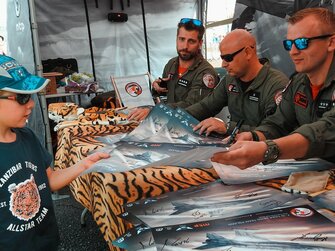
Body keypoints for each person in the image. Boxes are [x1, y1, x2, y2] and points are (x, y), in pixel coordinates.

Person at [0, 55, 109, 250]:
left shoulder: (28, 137)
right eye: (22, 97)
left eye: (31, 96)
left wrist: (86, 163)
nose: (32, 104)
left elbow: (48, 180)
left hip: (46, 242)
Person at [211, 7, 335, 168]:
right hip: (313, 172)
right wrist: (253, 136)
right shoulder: (298, 83)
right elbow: (278, 123)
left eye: (302, 43)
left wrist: (267, 149)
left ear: (331, 42)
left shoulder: (279, 81)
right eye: (289, 44)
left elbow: (327, 129)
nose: (293, 52)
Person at [188, 29, 288, 136]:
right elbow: (206, 106)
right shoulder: (230, 80)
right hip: (233, 146)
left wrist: (228, 128)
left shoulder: (276, 85)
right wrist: (176, 116)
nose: (223, 64)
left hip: (260, 149)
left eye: (228, 58)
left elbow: (273, 130)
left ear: (248, 52)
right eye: (222, 58)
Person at [128, 18, 219, 121]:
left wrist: (155, 111)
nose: (185, 46)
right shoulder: (171, 64)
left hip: (193, 128)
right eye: (182, 39)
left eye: (191, 41)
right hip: (168, 123)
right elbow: (166, 97)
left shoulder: (206, 73)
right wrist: (157, 89)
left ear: (200, 43)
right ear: (176, 39)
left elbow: (191, 106)